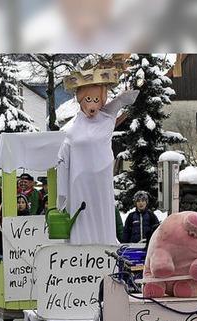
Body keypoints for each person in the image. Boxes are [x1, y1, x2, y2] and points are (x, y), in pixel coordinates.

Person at [57, 61, 139, 245]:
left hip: (101, 179)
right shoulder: (73, 128)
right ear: (80, 100)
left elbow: (125, 99)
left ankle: (103, 245)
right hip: (79, 180)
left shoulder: (107, 119)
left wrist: (130, 79)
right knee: (81, 213)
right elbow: (64, 154)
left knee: (101, 211)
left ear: (102, 100)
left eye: (96, 100)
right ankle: (80, 245)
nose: (93, 105)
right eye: (88, 100)